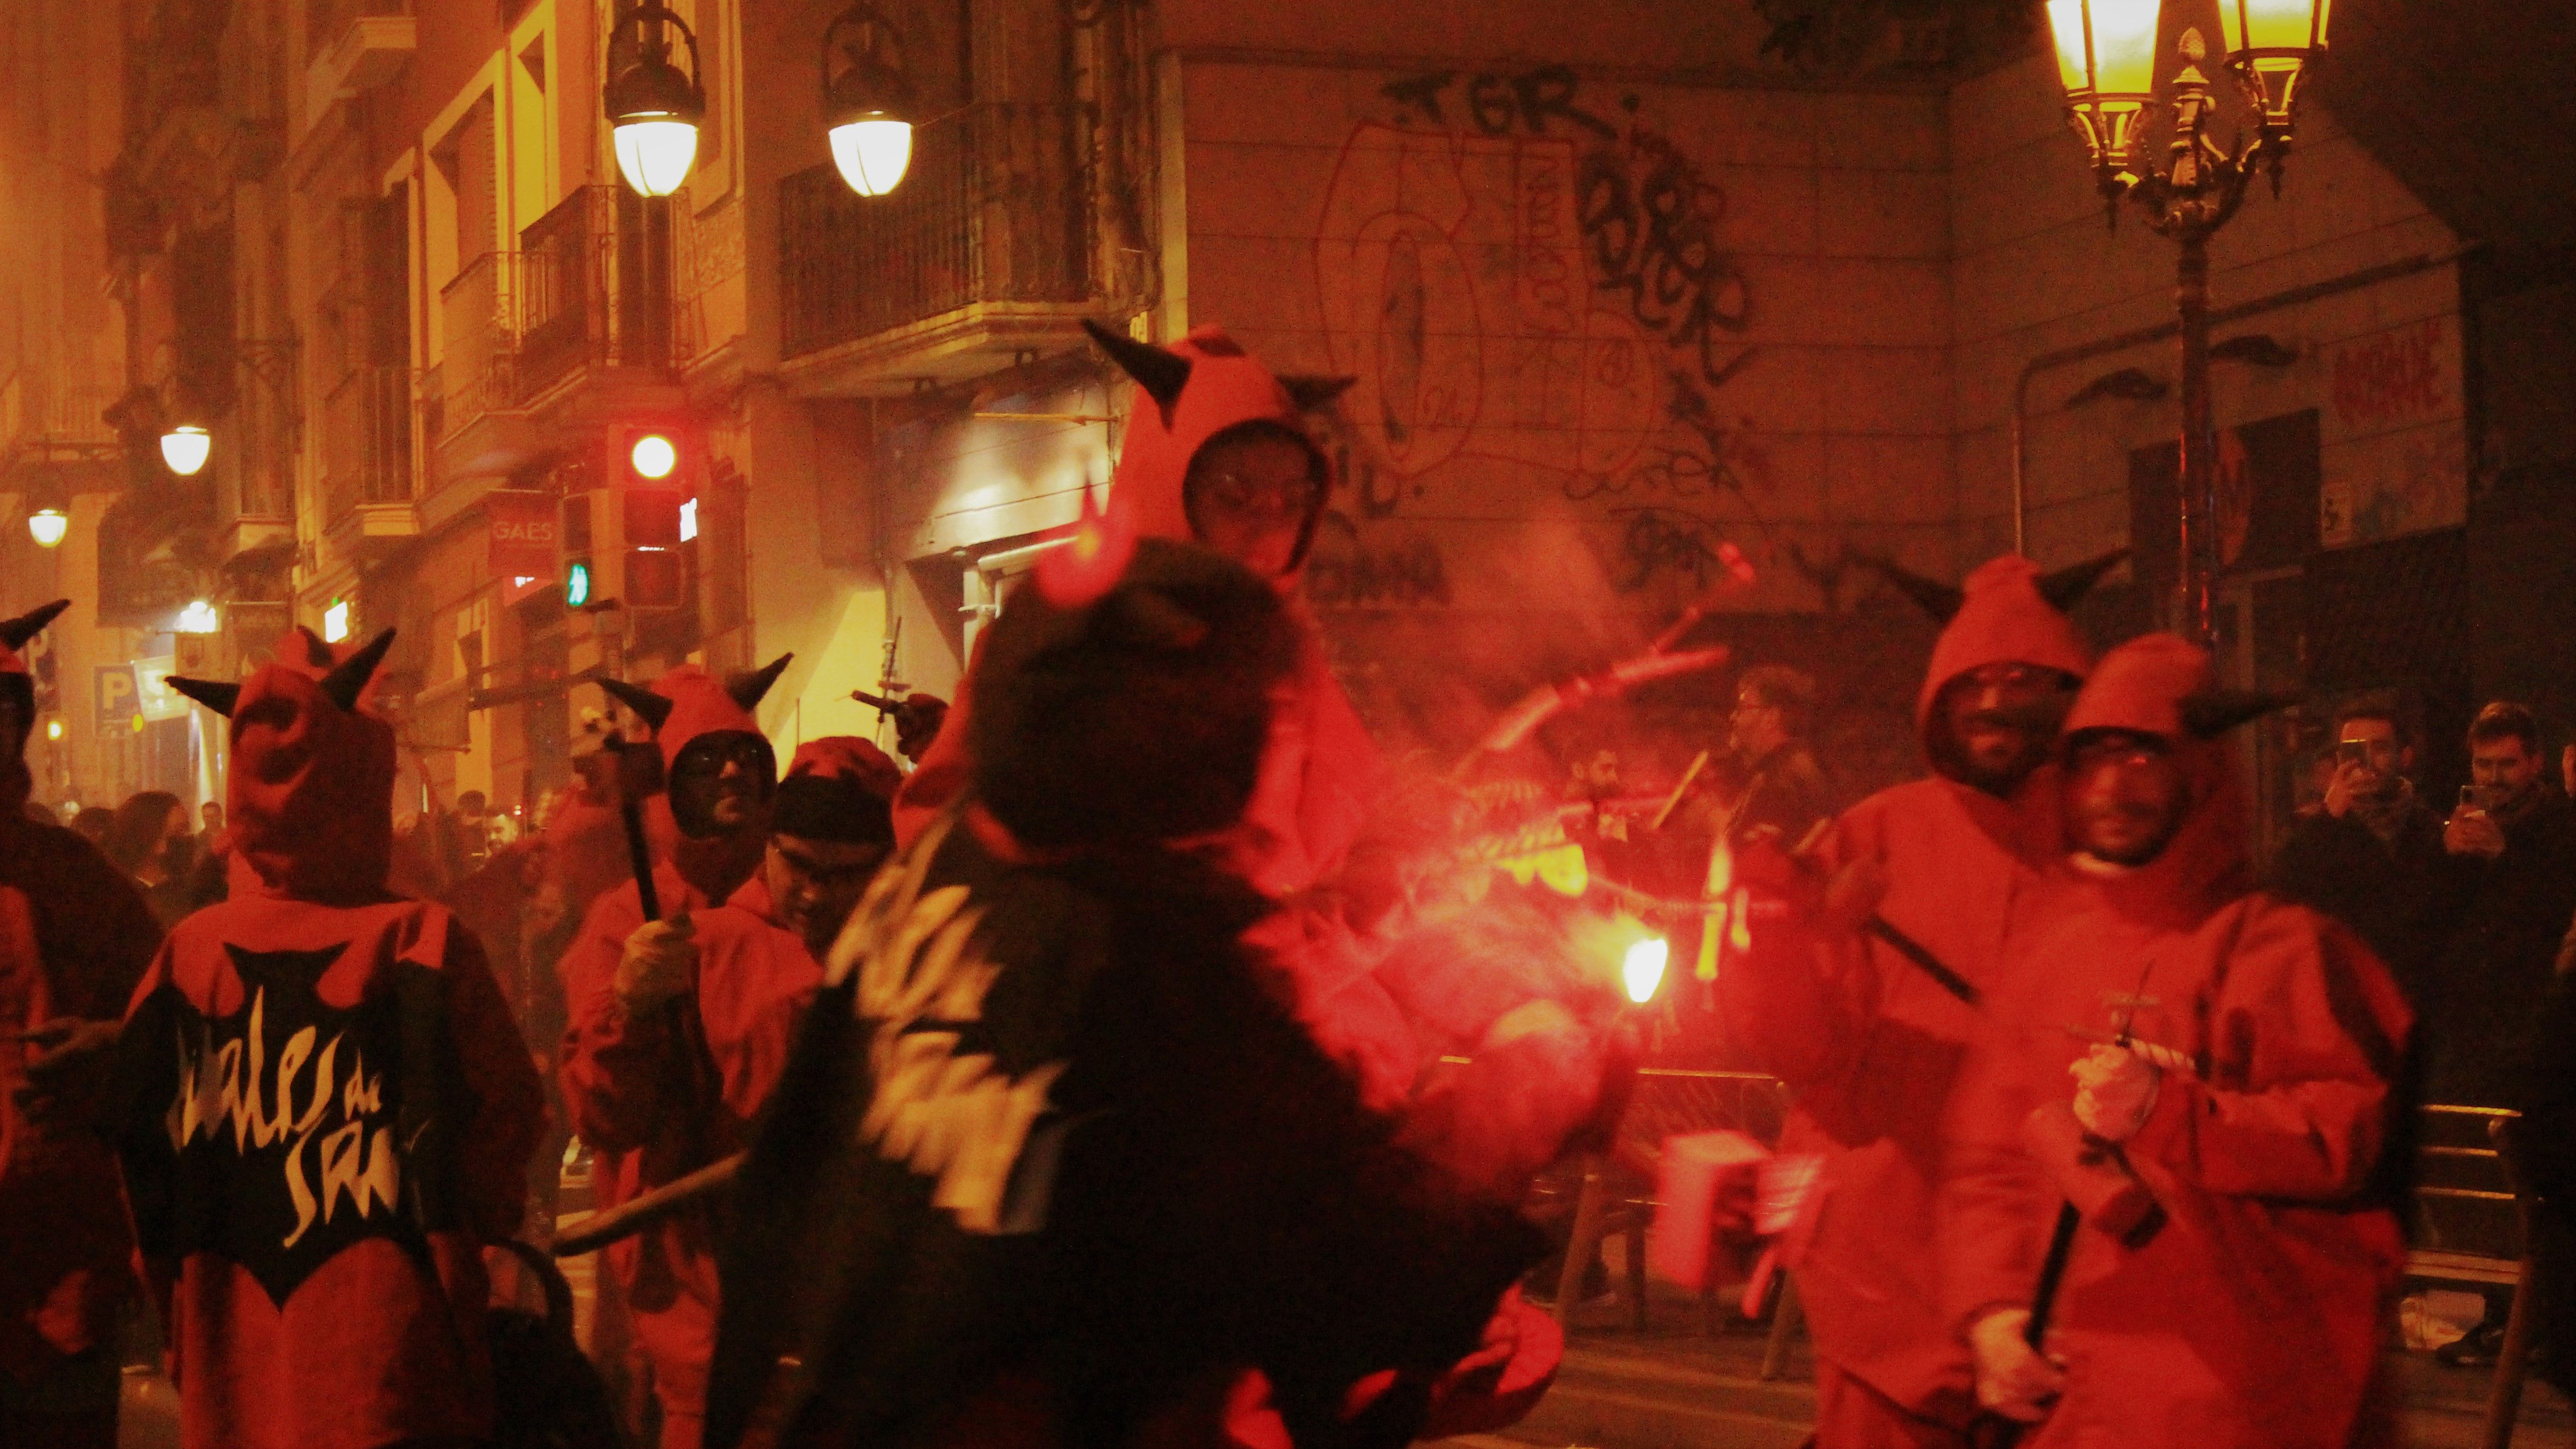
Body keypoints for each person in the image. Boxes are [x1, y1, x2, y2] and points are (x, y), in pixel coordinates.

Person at [704, 537, 1575, 1449]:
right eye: (1268, 714)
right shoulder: (1153, 965)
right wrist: (1525, 1083)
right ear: (1186, 736)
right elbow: (1356, 1280)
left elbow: (785, 1183)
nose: (1283, 748)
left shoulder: (950, 869)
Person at [1941, 635, 2411, 1449]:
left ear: (2198, 770)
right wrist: (1991, 1310)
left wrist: (2173, 1111)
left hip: (2232, 1402)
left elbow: (2344, 1133)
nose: (2114, 786)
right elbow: (1987, 1154)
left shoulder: (2280, 949)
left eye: (2144, 758)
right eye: (2093, 759)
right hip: (2074, 1397)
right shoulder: (2045, 945)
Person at [1721, 549, 2121, 1448]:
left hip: (2069, 1298)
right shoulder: (1877, 833)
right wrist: (1780, 941)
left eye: (2021, 679)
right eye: (1972, 680)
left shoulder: (2118, 844)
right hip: (1888, 1293)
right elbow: (1800, 1048)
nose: (1991, 702)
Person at [120, 632, 546, 1449]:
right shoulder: (423, 942)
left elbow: (142, 1160)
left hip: (234, 1354)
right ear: (366, 776)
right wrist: (463, 1241)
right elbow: (507, 1115)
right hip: (394, 1350)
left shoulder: (190, 958)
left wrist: (182, 1304)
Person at [562, 732, 900, 1449]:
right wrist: (629, 1009)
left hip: (872, 1355)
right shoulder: (703, 948)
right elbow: (605, 1117)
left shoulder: (913, 959)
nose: (814, 894)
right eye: (798, 866)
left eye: (843, 876)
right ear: (768, 845)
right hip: (724, 1364)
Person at [559, 654, 796, 1449]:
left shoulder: (803, 897)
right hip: (679, 1271)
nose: (730, 769)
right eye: (703, 760)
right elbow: (601, 1112)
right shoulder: (623, 918)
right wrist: (629, 1002)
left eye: (745, 756)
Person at [0, 599, 165, 1449]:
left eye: (3, 709)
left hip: (63, 1260)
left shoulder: (77, 877)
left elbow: (167, 1022)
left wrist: (109, 1044)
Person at [2266, 701, 2450, 1003]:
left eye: (2379, 749)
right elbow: (2281, 889)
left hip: (2411, 997)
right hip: (2337, 997)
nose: (2366, 762)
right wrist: (2330, 816)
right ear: (2340, 759)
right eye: (2354, 751)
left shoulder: (2428, 829)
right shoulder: (2314, 825)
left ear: (2404, 757)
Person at [104, 789, 197, 927]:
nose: (187, 838)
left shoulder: (192, 891)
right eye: (178, 831)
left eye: (185, 830)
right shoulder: (115, 896)